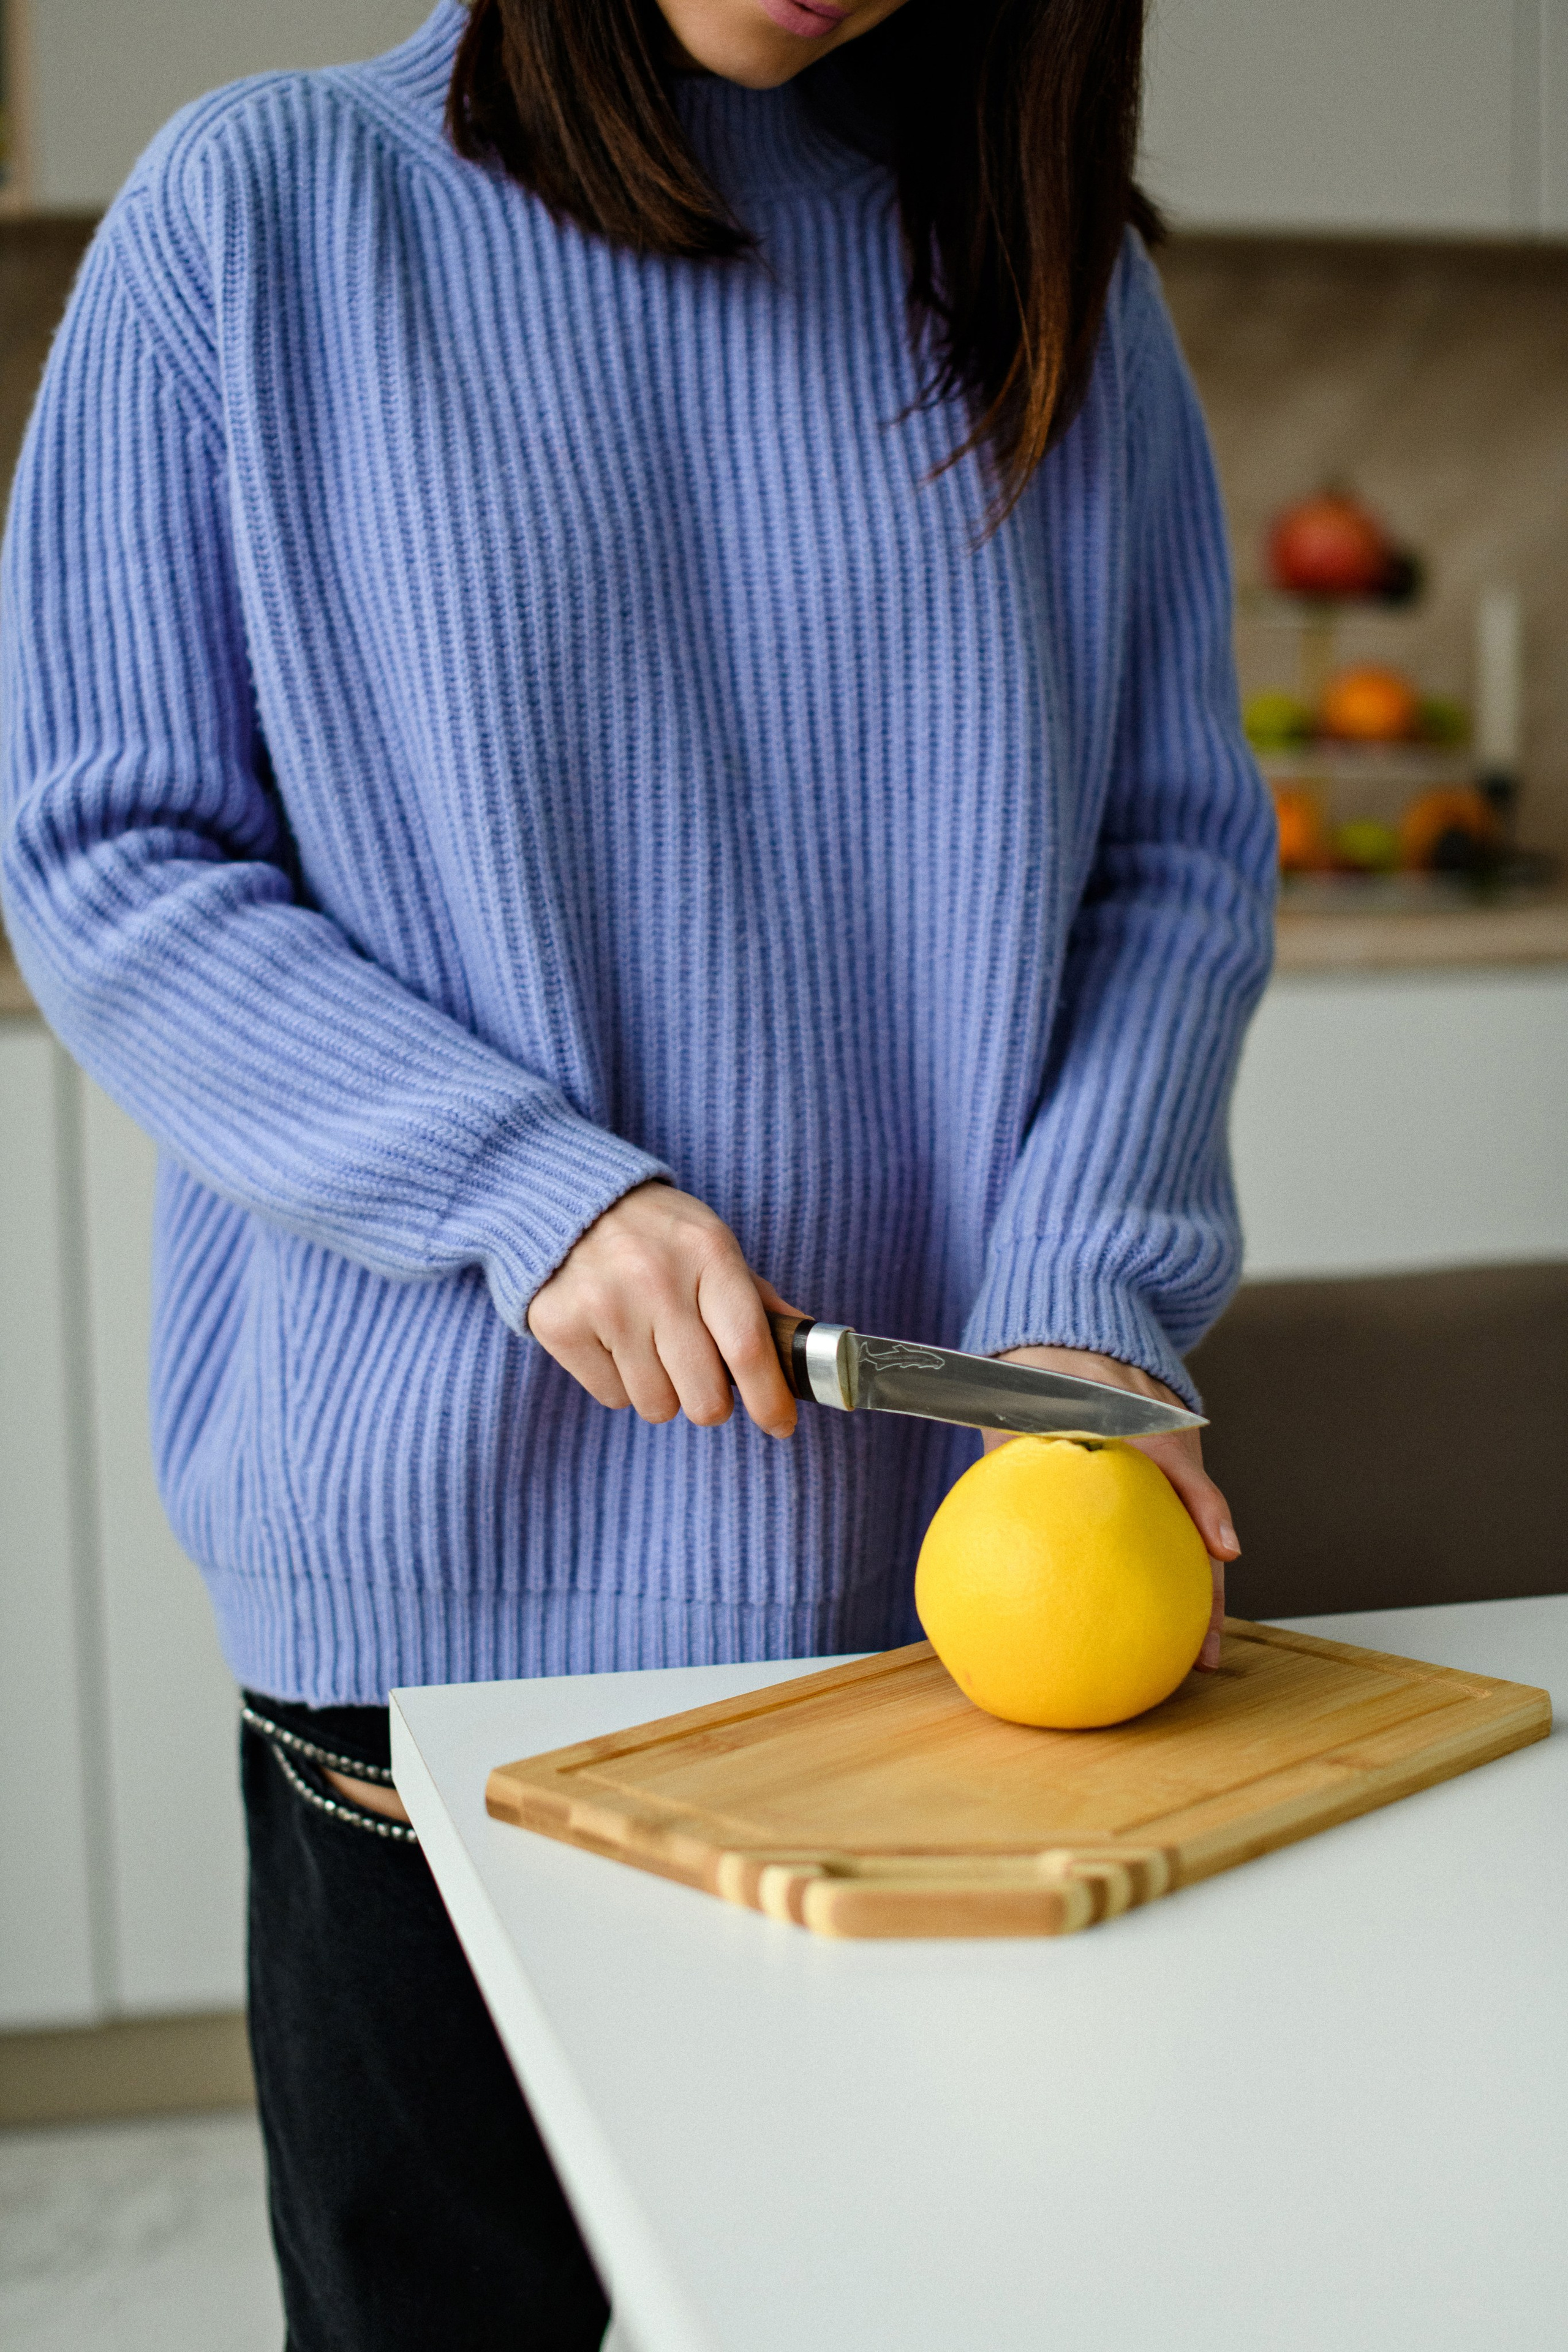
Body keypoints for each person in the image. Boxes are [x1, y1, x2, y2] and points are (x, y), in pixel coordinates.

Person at [0, 0, 1275, 2343]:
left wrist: (1093, 1282)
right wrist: (527, 1188)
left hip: (943, 1639)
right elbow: (112, 852)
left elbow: (1173, 858)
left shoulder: (1046, 270)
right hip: (446, 1638)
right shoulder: (262, 215)